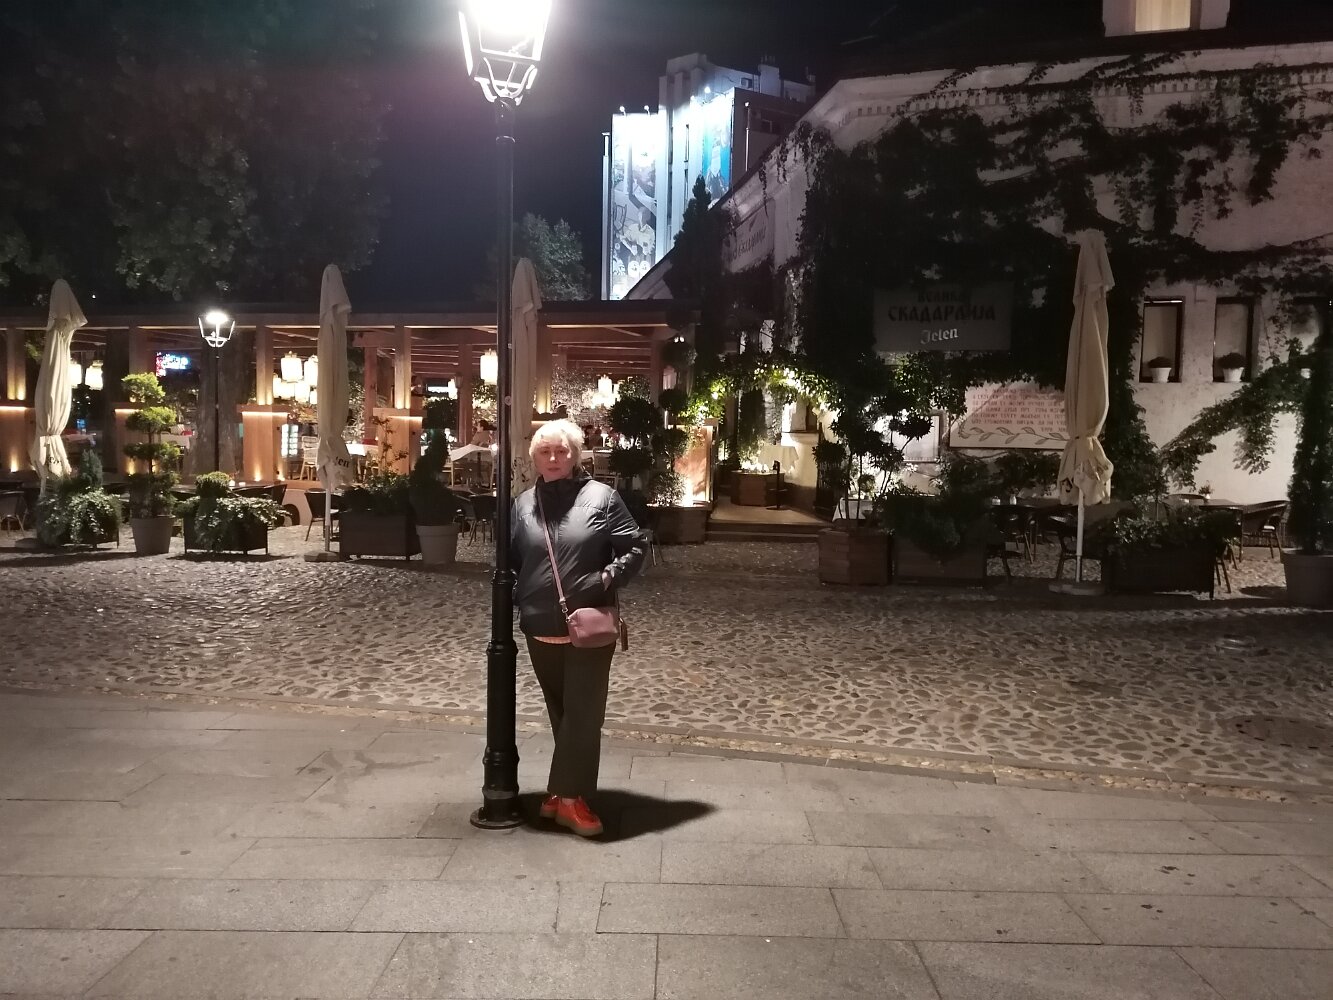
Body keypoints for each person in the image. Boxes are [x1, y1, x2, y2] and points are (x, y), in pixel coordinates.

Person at [511, 419, 647, 836]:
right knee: (563, 713)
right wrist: (519, 594)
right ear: (534, 458)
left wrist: (605, 578)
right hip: (539, 623)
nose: (553, 458)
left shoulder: (602, 498)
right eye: (545, 452)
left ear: (575, 455)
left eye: (562, 451)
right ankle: (565, 792)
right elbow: (512, 560)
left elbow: (635, 545)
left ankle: (568, 798)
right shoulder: (522, 505)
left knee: (585, 714)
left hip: (588, 623)